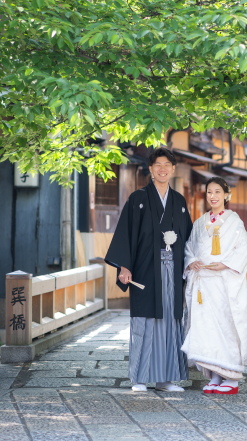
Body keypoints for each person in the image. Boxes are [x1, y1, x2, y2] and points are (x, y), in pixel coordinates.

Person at [104, 148, 193, 392]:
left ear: (173, 169)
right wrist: (124, 266)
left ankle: (166, 378)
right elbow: (126, 234)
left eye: (167, 165)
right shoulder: (138, 199)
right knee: (144, 321)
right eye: (158, 165)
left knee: (170, 321)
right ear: (151, 169)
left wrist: (193, 264)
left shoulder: (179, 202)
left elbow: (189, 238)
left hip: (173, 272)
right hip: (145, 269)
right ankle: (140, 379)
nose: (163, 169)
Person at [182, 176, 247, 395]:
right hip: (204, 284)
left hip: (225, 284)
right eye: (209, 192)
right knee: (207, 329)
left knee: (226, 326)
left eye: (217, 192)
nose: (213, 196)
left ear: (226, 195)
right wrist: (190, 260)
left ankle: (230, 377)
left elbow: (244, 247)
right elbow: (189, 247)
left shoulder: (234, 221)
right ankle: (213, 376)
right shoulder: (200, 222)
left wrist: (225, 264)